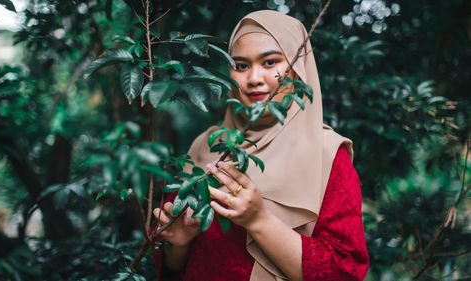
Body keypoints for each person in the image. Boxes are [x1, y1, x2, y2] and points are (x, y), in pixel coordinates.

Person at [152, 10, 369, 281]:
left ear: (298, 70)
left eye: (269, 62)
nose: (254, 78)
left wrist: (259, 220)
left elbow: (344, 271)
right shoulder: (206, 147)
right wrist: (179, 244)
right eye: (241, 66)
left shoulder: (326, 155)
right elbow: (171, 267)